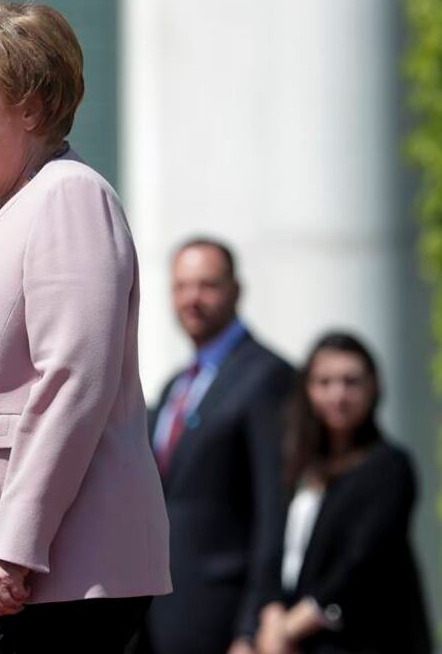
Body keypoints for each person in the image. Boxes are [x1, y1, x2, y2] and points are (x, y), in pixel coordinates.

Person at [0, 1, 172, 653]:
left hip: (55, 574)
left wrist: (17, 546)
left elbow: (73, 382)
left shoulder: (69, 196)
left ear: (31, 106)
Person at [138, 239, 294, 654]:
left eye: (207, 285)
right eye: (181, 286)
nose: (192, 299)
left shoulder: (267, 377)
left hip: (223, 617)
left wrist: (251, 626)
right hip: (157, 615)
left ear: (235, 290)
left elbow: (273, 509)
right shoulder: (175, 385)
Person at [254, 332, 431, 654]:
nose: (338, 394)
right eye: (325, 382)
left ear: (373, 386)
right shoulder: (298, 466)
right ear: (307, 389)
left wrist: (291, 627)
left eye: (351, 381)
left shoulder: (389, 466)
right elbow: (273, 549)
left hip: (362, 638)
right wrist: (270, 614)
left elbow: (362, 561)